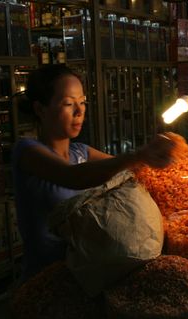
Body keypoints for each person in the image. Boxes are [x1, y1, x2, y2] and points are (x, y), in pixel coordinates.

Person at [12, 65, 175, 281]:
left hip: (86, 274)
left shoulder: (80, 152)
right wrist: (138, 156)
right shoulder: (26, 151)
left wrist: (158, 153)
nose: (79, 112)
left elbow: (128, 168)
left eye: (82, 102)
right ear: (40, 109)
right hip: (47, 278)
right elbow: (75, 177)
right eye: (69, 104)